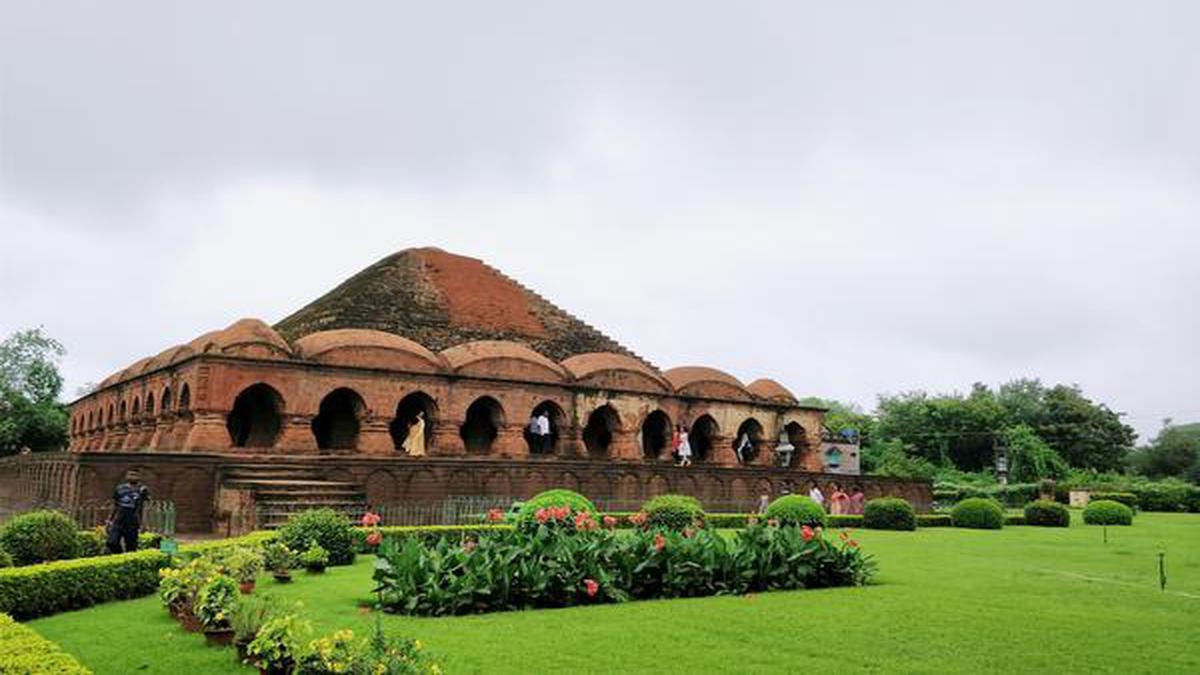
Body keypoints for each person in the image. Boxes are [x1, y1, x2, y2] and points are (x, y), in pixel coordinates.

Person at [107, 469, 149, 554]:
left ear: (139, 477)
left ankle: (127, 561)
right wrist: (109, 520)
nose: (132, 477)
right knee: (111, 542)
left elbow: (144, 507)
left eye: (135, 475)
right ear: (126, 477)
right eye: (130, 475)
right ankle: (119, 556)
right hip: (119, 520)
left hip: (133, 521)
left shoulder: (142, 490)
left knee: (131, 547)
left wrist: (144, 522)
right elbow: (115, 505)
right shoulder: (120, 489)